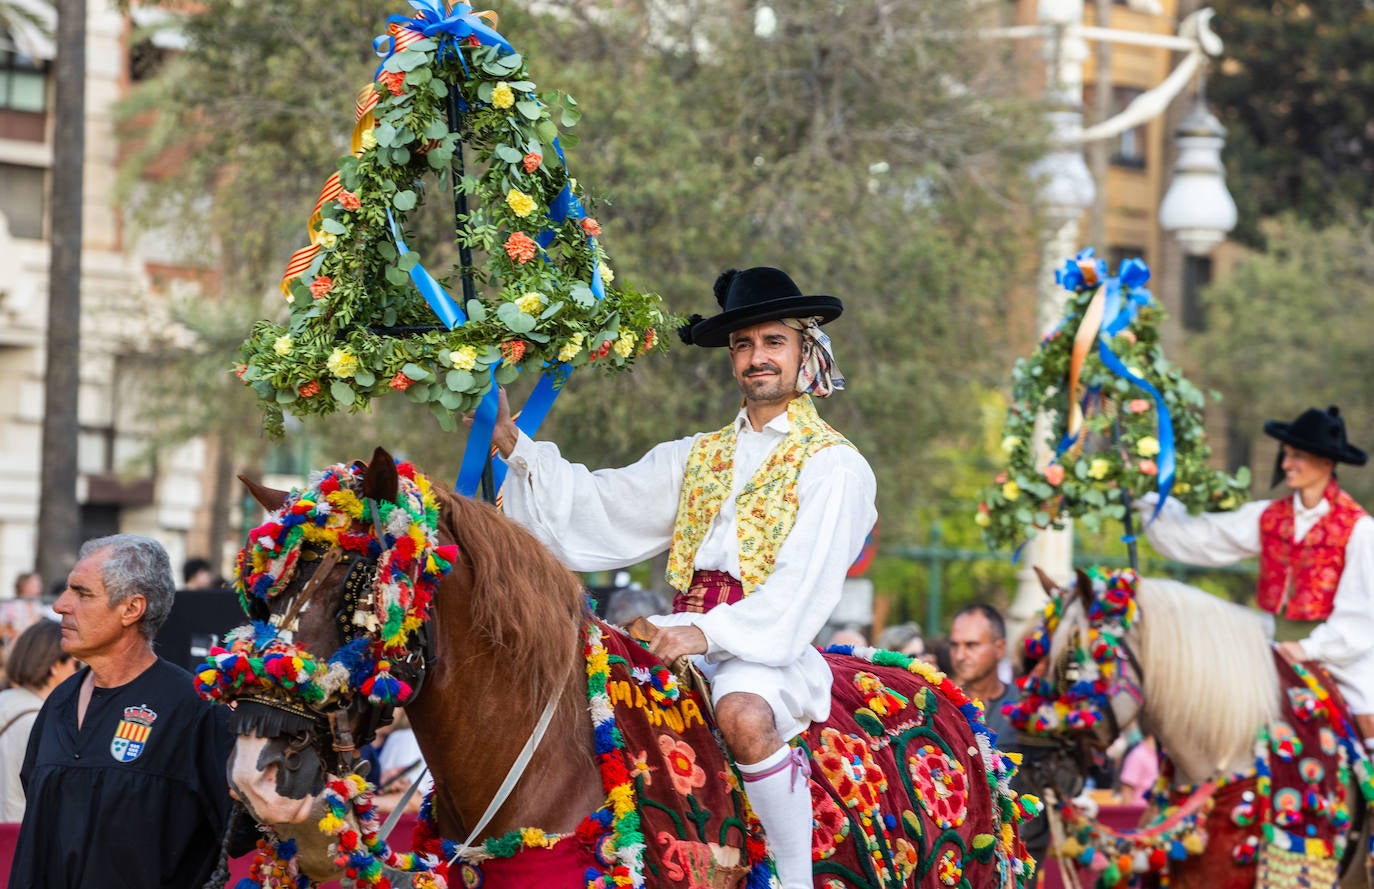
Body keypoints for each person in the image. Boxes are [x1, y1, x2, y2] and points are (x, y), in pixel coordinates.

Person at [496, 266, 877, 889]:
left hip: (766, 650)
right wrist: (514, 444)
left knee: (744, 715)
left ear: (806, 352)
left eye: (772, 343)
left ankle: (794, 879)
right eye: (743, 345)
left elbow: (800, 591)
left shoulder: (835, 465)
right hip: (677, 629)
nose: (756, 358)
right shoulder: (697, 455)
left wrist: (703, 631)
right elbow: (601, 502)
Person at [1137, 406, 1374, 747]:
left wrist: (1308, 648)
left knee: (1368, 714)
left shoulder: (1359, 529)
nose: (1286, 464)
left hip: (1339, 653)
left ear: (1326, 464)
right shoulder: (1268, 516)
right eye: (1287, 455)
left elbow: (1362, 616)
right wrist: (1148, 505)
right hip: (1269, 643)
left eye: (1298, 457)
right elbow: (1206, 537)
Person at [10, 534, 234, 888]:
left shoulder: (193, 710)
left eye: (82, 594)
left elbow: (238, 834)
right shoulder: (58, 702)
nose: (60, 606)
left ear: (132, 609)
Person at [0, 620, 77, 821]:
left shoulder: (5, 701)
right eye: (74, 663)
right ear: (54, 666)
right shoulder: (40, 722)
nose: (77, 671)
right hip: (16, 838)